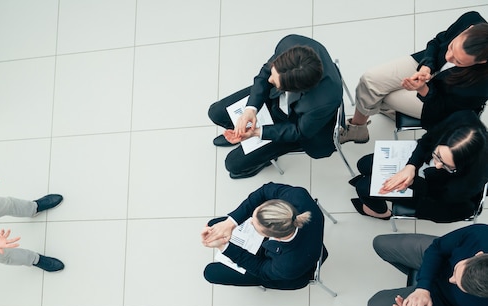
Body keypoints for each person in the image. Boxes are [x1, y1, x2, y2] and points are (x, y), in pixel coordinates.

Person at [341, 11, 488, 144]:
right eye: (451, 48)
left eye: (458, 61)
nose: (448, 57)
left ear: (482, 61)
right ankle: (357, 129)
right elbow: (437, 42)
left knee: (383, 94)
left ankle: (390, 110)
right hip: (430, 66)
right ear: (468, 29)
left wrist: (424, 89)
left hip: (441, 101)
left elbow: (445, 107)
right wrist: (427, 66)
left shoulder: (483, 83)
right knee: (369, 81)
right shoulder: (471, 18)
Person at [208, 34, 342, 179]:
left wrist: (257, 133)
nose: (270, 79)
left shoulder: (321, 103)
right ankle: (238, 131)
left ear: (294, 89)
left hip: (295, 124)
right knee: (215, 112)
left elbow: (299, 131)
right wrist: (250, 109)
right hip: (274, 99)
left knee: (232, 164)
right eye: (273, 73)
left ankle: (263, 160)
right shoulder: (290, 43)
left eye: (275, 81)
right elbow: (266, 74)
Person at [350, 110, 488, 221]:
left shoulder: (469, 183)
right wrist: (411, 166)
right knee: (363, 164)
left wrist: (413, 182)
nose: (438, 165)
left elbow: (436, 199)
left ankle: (382, 213)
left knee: (363, 187)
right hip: (424, 172)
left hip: (436, 196)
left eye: (447, 165)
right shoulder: (463, 118)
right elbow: (427, 141)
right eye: (438, 155)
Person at [368, 225, 488, 306]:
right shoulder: (481, 235)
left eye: (458, 284)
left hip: (439, 302)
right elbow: (438, 247)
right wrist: (423, 286)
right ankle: (418, 275)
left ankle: (418, 275)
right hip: (439, 260)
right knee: (380, 243)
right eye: (456, 270)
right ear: (478, 254)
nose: (451, 279)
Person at [201, 182, 325, 289]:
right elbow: (265, 190)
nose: (250, 222)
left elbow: (260, 269)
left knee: (211, 273)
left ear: (274, 237)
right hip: (304, 241)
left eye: (254, 226)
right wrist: (230, 223)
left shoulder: (286, 266)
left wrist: (225, 247)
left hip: (286, 269)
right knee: (215, 225)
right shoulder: (298, 196)